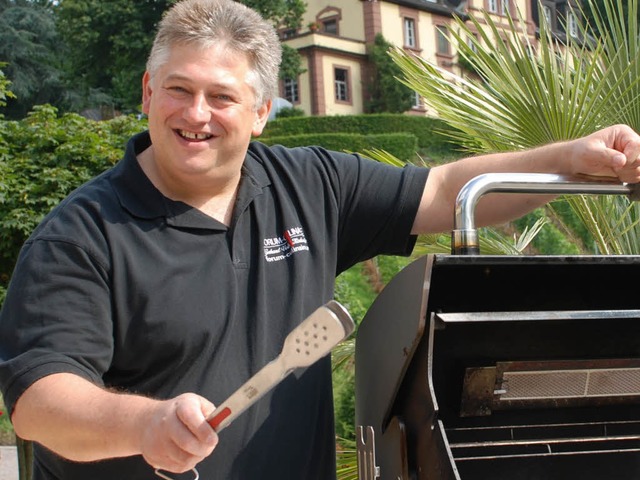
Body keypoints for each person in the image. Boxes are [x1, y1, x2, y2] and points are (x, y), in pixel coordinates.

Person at [1, 0, 640, 478]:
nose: (196, 114)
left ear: (259, 112)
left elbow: (445, 191)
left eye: (221, 96)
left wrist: (574, 160)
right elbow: (38, 401)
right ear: (147, 93)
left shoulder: (311, 185)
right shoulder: (82, 233)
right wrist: (144, 423)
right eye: (178, 89)